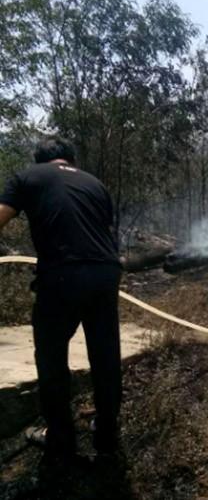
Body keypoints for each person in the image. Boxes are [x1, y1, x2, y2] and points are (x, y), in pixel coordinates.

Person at [0, 136, 122, 462]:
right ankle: (107, 437)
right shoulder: (95, 184)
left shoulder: (28, 176)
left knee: (52, 358)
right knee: (105, 356)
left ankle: (60, 439)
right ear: (71, 159)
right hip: (106, 273)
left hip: (63, 275)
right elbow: (100, 231)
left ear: (41, 160)